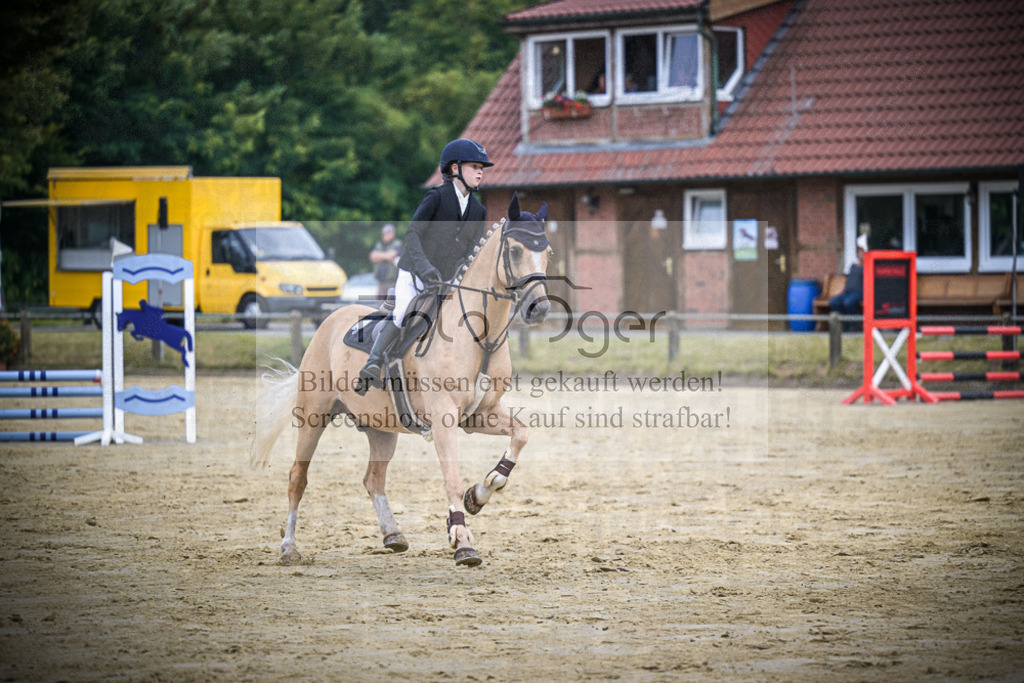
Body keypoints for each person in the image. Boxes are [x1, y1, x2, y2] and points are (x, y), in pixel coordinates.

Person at [355, 138, 493, 394]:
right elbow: (412, 234)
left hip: (448, 280)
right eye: (474, 166)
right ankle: (372, 364)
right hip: (415, 273)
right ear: (454, 169)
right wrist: (426, 268)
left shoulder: (479, 210)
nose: (481, 171)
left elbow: (472, 251)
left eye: (482, 167)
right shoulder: (436, 197)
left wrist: (460, 273)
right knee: (403, 312)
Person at [830, 233, 867, 330]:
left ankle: (853, 325)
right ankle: (844, 323)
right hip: (847, 291)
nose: (860, 255)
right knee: (834, 302)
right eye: (858, 253)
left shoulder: (867, 267)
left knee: (848, 303)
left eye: (862, 253)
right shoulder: (852, 266)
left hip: (860, 292)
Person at [369, 223, 402, 299]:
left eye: (389, 233)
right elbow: (372, 256)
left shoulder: (397, 244)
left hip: (392, 282)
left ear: (393, 234)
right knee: (380, 306)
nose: (386, 235)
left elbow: (392, 255)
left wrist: (379, 256)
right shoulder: (379, 244)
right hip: (381, 281)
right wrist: (386, 256)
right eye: (385, 233)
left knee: (391, 304)